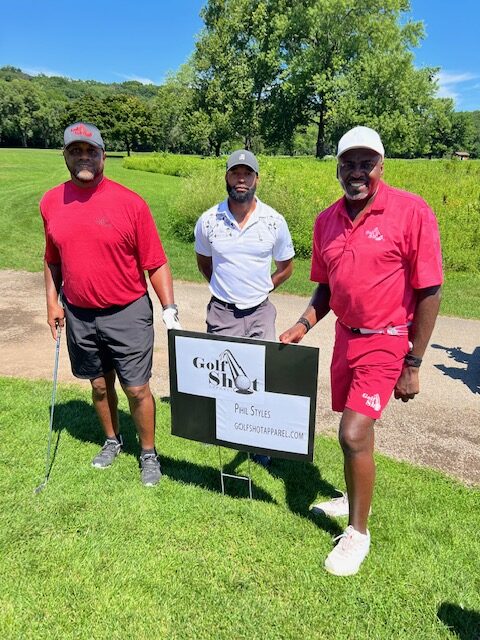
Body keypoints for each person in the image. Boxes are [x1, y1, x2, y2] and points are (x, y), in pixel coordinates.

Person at [280, 126, 443, 576]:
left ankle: (357, 534)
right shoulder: (326, 220)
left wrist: (414, 362)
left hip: (388, 338)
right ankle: (351, 496)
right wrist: (302, 324)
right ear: (337, 168)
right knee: (354, 430)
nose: (357, 172)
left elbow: (430, 290)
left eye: (365, 163)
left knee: (352, 432)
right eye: (348, 163)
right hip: (346, 338)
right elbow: (328, 288)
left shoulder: (411, 212)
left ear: (381, 166)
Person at [40, 122, 181, 487]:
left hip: (127, 311)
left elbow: (156, 260)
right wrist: (53, 303)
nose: (83, 157)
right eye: (76, 151)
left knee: (136, 388)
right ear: (66, 156)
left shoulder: (130, 203)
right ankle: (111, 441)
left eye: (90, 151)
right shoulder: (51, 202)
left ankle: (148, 453)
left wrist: (169, 307)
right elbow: (52, 259)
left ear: (103, 155)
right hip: (80, 313)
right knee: (99, 385)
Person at [194, 149, 295, 466]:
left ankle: (259, 441)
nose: (241, 179)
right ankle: (230, 431)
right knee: (225, 377)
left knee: (259, 379)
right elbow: (204, 262)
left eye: (247, 173)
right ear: (226, 177)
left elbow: (286, 266)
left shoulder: (274, 221)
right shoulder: (209, 220)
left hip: (260, 311)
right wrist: (224, 290)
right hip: (222, 311)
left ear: (256, 179)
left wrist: (265, 286)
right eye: (235, 173)